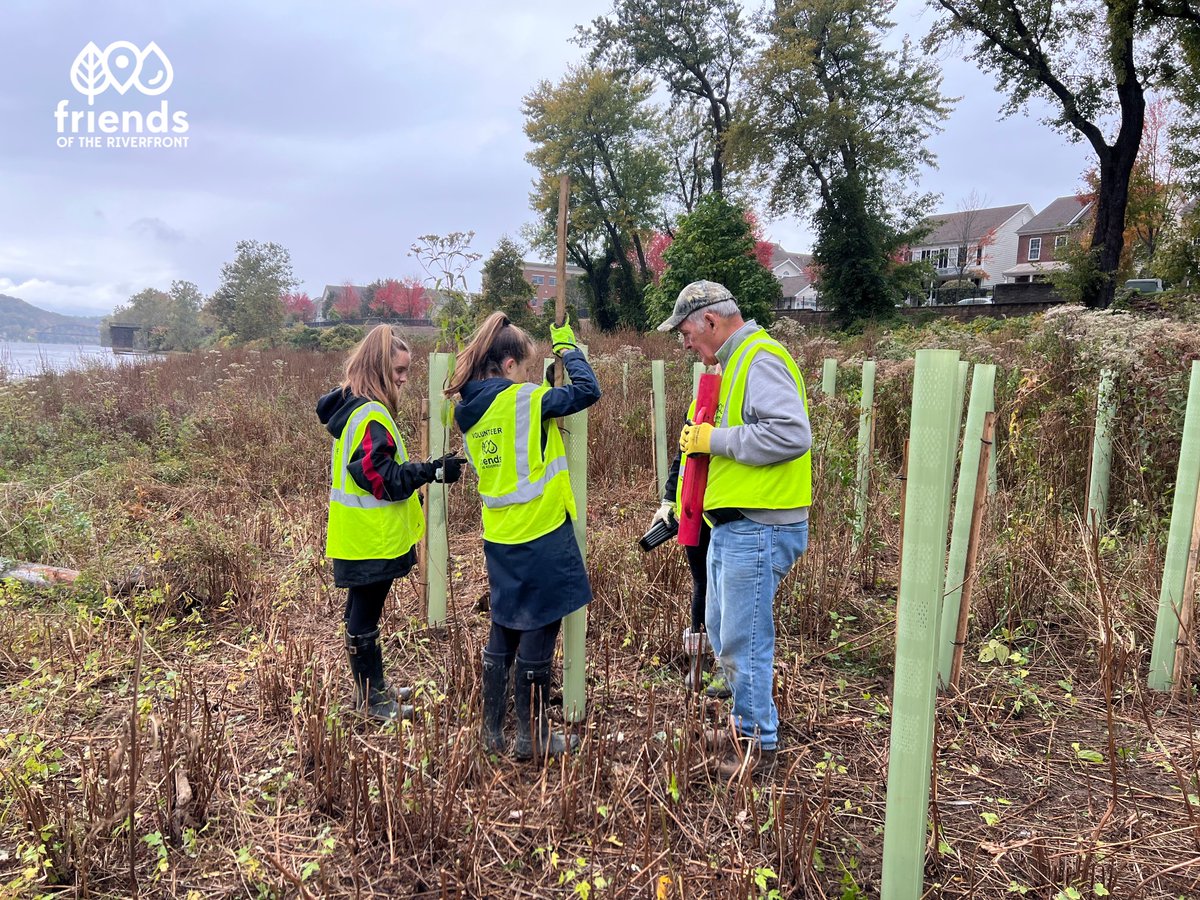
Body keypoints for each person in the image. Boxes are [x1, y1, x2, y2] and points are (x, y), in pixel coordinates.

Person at [657, 281, 812, 779]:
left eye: (684, 331)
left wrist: (713, 440)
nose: (684, 344)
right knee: (724, 635)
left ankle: (756, 745)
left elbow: (791, 433)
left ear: (710, 320)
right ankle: (745, 722)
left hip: (760, 525)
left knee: (743, 641)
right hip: (733, 525)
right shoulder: (731, 364)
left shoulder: (759, 357)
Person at [446, 312, 601, 760]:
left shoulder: (469, 411)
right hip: (541, 531)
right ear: (509, 364)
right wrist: (568, 347)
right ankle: (531, 737)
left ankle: (492, 730)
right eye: (526, 367)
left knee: (504, 626)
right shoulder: (525, 400)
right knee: (540, 628)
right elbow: (589, 391)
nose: (529, 376)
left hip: (499, 535)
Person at [317, 324, 463, 722]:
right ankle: (371, 700)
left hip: (360, 536)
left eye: (406, 371)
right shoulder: (371, 414)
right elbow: (381, 478)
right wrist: (431, 471)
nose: (403, 379)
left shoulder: (357, 409)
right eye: (398, 370)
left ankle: (373, 687)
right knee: (363, 616)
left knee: (361, 614)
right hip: (370, 539)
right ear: (379, 368)